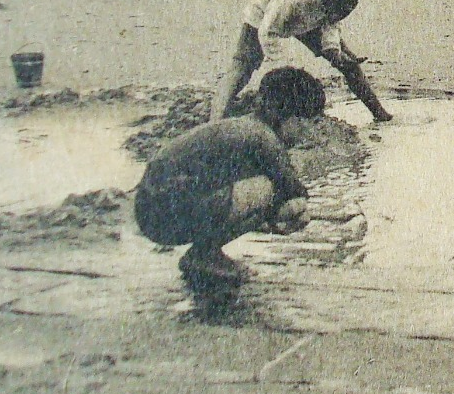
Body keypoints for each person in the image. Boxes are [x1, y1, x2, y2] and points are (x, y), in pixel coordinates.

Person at [136, 66, 318, 283]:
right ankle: (204, 255)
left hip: (150, 209)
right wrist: (294, 212)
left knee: (259, 194)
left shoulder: (243, 126)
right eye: (310, 124)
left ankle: (206, 253)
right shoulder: (263, 136)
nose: (309, 133)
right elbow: (292, 187)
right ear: (291, 118)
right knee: (272, 193)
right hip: (164, 214)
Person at [210, 0, 394, 124]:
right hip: (266, 9)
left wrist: (334, 51)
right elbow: (267, 32)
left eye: (348, 10)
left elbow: (330, 21)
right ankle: (215, 119)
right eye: (341, 10)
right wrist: (282, 67)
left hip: (312, 15)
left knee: (348, 63)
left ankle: (380, 113)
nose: (344, 14)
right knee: (242, 66)